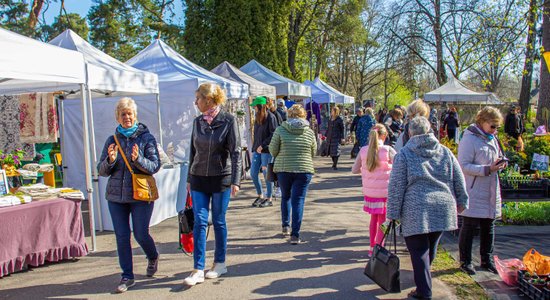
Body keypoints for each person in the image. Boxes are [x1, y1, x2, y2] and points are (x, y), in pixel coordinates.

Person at [387, 116, 469, 300]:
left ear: (409, 133)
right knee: (429, 248)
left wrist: (392, 213)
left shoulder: (405, 154)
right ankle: (423, 284)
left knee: (418, 251)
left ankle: (424, 292)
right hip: (442, 205)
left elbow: (396, 186)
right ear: (430, 130)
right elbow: (458, 177)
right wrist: (462, 201)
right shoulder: (445, 151)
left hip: (416, 208)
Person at [97, 97, 161, 293]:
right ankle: (127, 275)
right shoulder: (112, 140)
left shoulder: (146, 138)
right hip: (116, 197)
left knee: (141, 233)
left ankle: (152, 256)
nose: (126, 117)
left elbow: (155, 165)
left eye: (129, 114)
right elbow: (101, 170)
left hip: (140, 195)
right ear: (118, 117)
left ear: (135, 116)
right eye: (123, 114)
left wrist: (138, 159)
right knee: (122, 237)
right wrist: (110, 159)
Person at [183, 83, 242, 286]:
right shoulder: (197, 122)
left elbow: (236, 152)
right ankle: (198, 268)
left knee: (218, 221)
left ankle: (220, 263)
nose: (196, 101)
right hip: (198, 177)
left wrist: (236, 180)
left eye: (198, 98)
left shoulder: (228, 120)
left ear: (209, 99)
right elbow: (192, 151)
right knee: (199, 221)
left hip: (221, 178)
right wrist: (189, 178)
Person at [457, 106, 505, 276]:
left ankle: (487, 259)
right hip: (475, 188)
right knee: (469, 225)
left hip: (490, 188)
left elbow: (494, 157)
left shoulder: (492, 138)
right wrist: (487, 169)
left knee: (489, 225)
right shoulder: (469, 139)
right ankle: (466, 260)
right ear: (482, 121)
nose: (495, 130)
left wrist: (500, 163)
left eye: (498, 127)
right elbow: (463, 165)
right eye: (493, 126)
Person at [269, 105, 316, 244]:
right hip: (304, 169)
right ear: (303, 116)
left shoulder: (280, 130)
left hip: (284, 169)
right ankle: (295, 235)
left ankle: (285, 225)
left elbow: (272, 150)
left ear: (289, 115)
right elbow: (314, 152)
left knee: (286, 196)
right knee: (298, 200)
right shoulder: (309, 132)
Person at [351, 124, 396, 257]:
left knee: (373, 219)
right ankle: (379, 245)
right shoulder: (388, 150)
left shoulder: (363, 150)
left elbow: (354, 169)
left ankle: (372, 246)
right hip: (385, 192)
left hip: (370, 193)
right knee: (383, 221)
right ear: (384, 135)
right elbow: (400, 166)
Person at [250, 96, 277, 207]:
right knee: (253, 173)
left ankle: (269, 198)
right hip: (257, 150)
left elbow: (274, 134)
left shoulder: (271, 117)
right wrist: (255, 147)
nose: (254, 108)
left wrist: (263, 145)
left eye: (255, 106)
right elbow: (256, 135)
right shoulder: (257, 117)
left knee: (267, 174)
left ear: (260, 106)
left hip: (267, 151)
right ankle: (260, 195)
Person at [326, 106, 345, 170]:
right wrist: (325, 135)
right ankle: (334, 162)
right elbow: (328, 128)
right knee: (331, 152)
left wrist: (343, 137)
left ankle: (335, 164)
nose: (331, 112)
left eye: (332, 111)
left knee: (336, 151)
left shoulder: (339, 119)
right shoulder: (330, 119)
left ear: (336, 112)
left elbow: (342, 129)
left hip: (336, 137)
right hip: (330, 137)